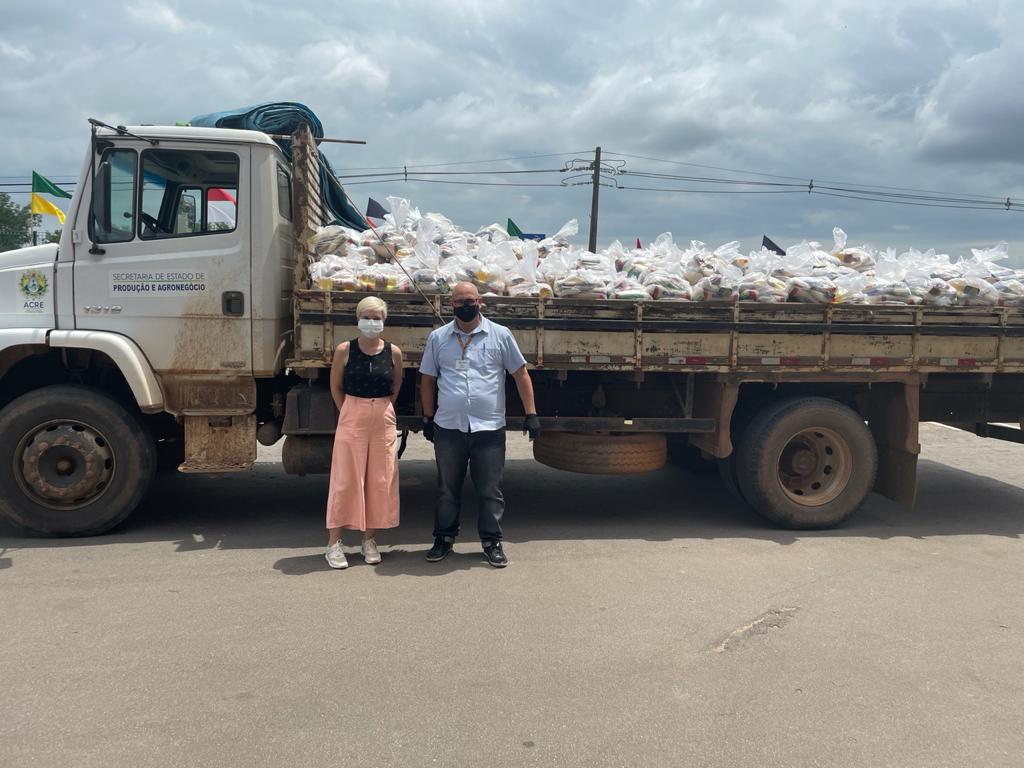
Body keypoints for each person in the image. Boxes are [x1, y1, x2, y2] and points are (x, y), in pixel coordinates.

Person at [419, 282, 540, 568]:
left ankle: (491, 542)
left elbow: (520, 375)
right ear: (451, 305)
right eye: (459, 301)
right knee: (448, 488)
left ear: (480, 302)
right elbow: (427, 380)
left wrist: (531, 413)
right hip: (449, 427)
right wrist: (427, 417)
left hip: (488, 428)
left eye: (469, 300)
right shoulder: (438, 338)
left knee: (490, 490)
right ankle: (444, 538)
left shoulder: (500, 335)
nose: (465, 305)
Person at [324, 296, 403, 569]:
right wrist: (348, 410)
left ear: (384, 320)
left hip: (382, 415)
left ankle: (369, 540)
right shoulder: (345, 350)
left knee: (379, 479)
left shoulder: (393, 352)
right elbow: (335, 386)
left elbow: (396, 386)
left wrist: (382, 410)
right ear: (358, 318)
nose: (372, 322)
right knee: (346, 479)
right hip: (353, 413)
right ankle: (334, 543)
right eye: (367, 317)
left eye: (377, 317)